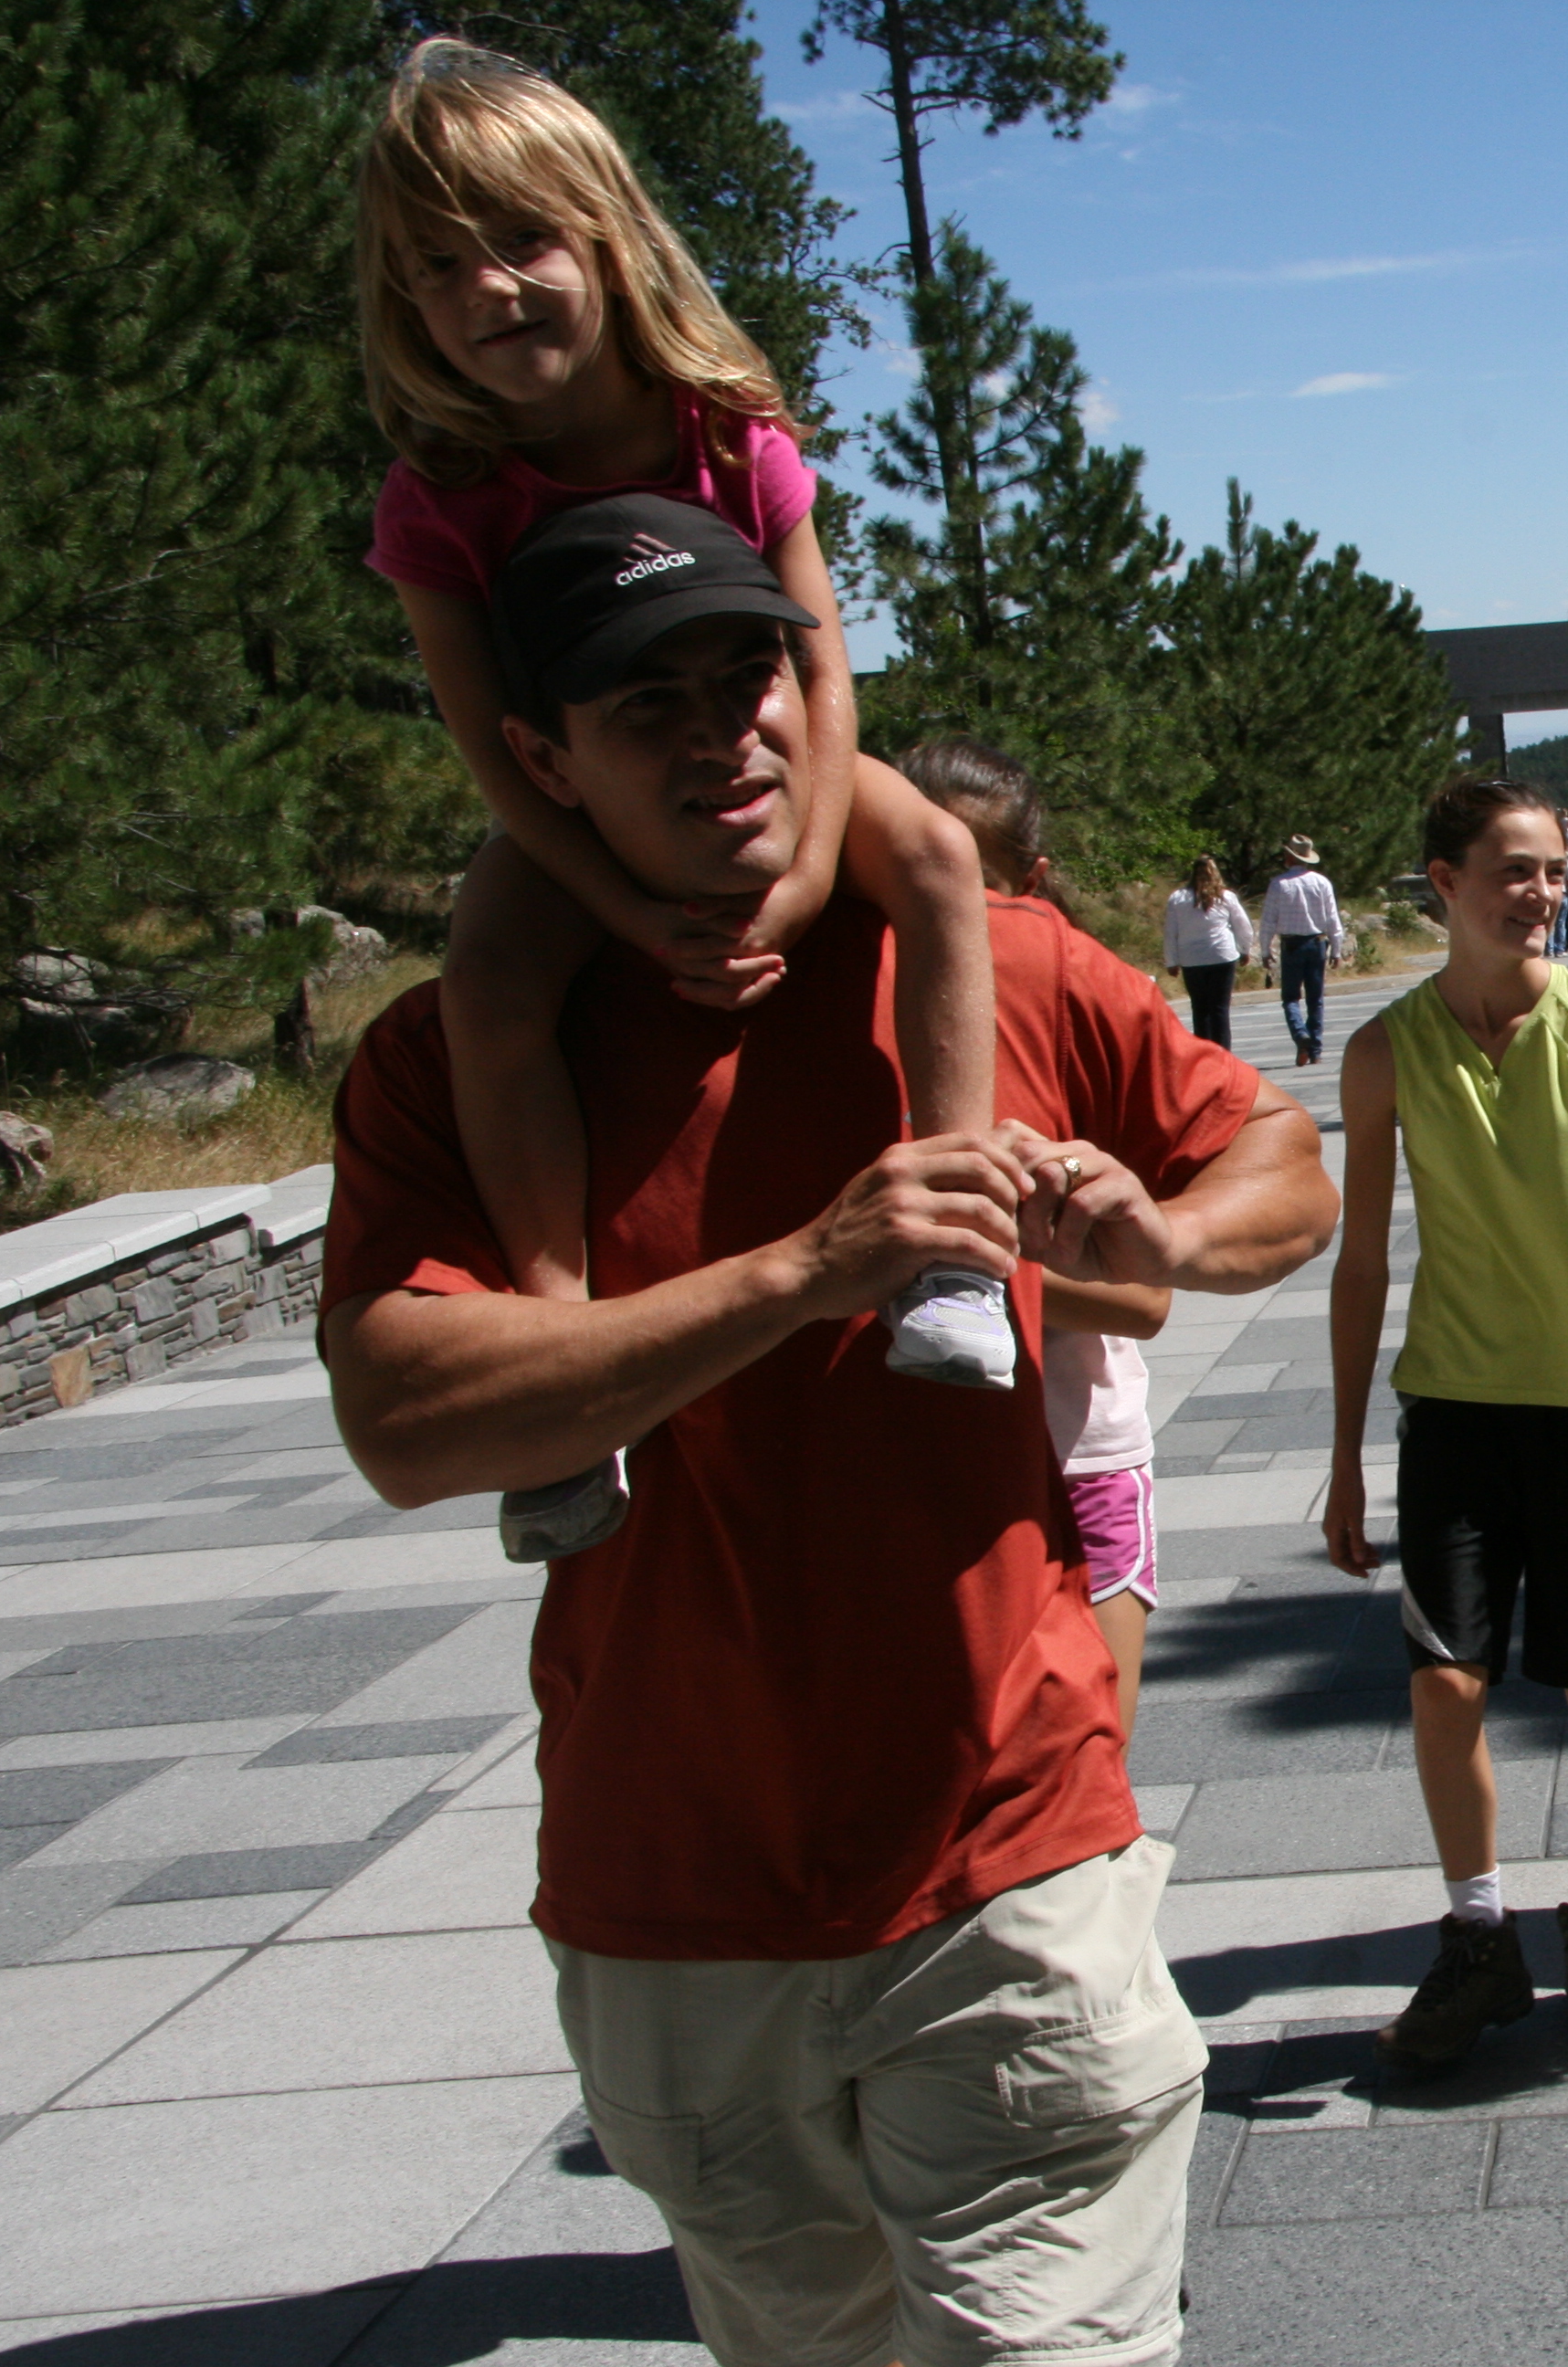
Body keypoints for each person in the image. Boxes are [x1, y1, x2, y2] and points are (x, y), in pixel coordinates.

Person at [321, 494, 1337, 2367]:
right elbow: (403, 1416)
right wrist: (808, 1270)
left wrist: (1170, 1236)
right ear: (541, 759)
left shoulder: (1001, 961)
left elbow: (1278, 1159)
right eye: (648, 706)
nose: (725, 736)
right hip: (676, 1911)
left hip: (1011, 1859)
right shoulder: (458, 1056)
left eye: (752, 678)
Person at [355, 40, 1013, 1566]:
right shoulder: (441, 494)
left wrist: (801, 876)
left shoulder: (725, 427)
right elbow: (491, 746)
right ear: (404, 303)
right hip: (571, 815)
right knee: (489, 980)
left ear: (608, 237)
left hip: (785, 766)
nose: (490, 289)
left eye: (523, 242)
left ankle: (953, 1250)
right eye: (440, 267)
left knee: (931, 852)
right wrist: (627, 911)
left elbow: (823, 670)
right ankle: (558, 1346)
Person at [1326, 777, 1568, 2075]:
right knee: (1446, 1681)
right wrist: (1343, 1460)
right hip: (1455, 1411)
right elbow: (1362, 1266)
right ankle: (1479, 1936)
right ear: (1444, 883)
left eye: (1554, 869)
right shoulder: (1384, 1052)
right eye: (1513, 869)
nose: (1542, 891)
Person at [907, 741, 1178, 1740]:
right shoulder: (837, 1021)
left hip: (1079, 1455)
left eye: (967, 883)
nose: (932, 912)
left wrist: (943, 1258)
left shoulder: (1075, 1016)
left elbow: (1142, 1301)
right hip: (906, 1474)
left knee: (1089, 1757)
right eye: (901, 879)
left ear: (1031, 886)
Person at [1261, 835, 1344, 1066]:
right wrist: (1337, 950)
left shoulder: (1278, 884)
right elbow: (1332, 918)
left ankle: (1300, 1035)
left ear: (1290, 857)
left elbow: (1268, 920)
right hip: (1317, 943)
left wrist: (1265, 950)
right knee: (1315, 999)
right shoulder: (1322, 883)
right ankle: (1315, 1050)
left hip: (1292, 945)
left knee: (1290, 998)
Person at [1162, 854, 1254, 1049]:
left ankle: (1205, 1055)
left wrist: (1171, 961)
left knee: (1200, 1009)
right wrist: (1245, 949)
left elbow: (1171, 931)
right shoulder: (1226, 896)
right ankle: (1224, 1054)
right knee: (1220, 1009)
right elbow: (1242, 925)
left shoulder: (1178, 898)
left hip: (1192, 959)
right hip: (1222, 955)